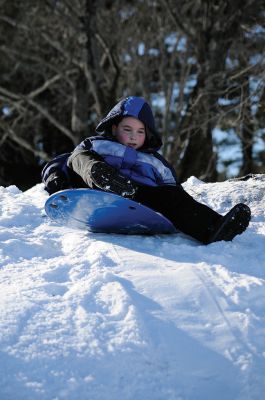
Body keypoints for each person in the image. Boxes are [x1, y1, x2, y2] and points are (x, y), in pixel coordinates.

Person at [42, 96, 251, 244]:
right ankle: (104, 176)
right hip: (96, 189)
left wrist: (178, 203)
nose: (133, 136)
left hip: (138, 195)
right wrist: (55, 176)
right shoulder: (97, 145)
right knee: (79, 158)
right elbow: (66, 161)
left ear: (148, 134)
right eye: (127, 129)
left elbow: (174, 189)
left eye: (140, 131)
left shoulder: (154, 161)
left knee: (172, 197)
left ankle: (213, 228)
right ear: (114, 128)